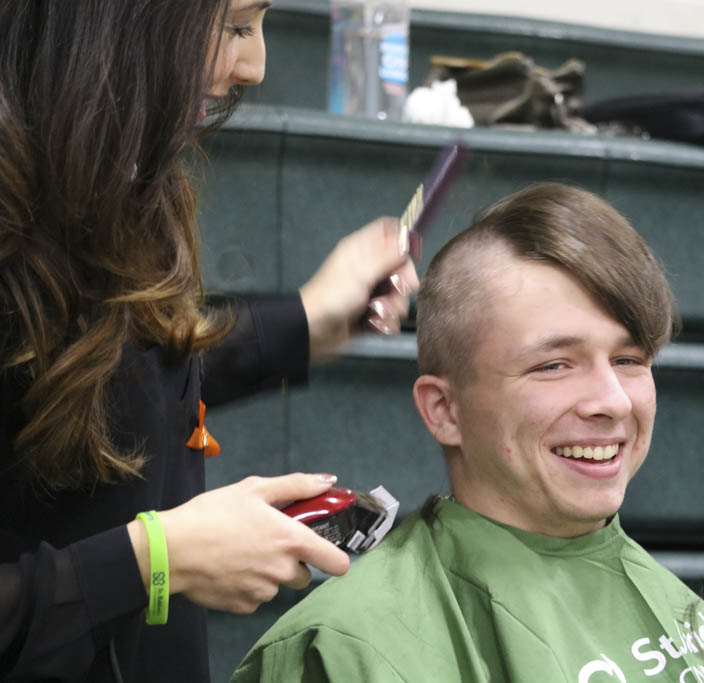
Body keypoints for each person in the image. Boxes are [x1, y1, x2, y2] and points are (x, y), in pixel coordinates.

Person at [0, 1, 418, 680]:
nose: (255, 66)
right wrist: (154, 559)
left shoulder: (106, 181)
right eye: (233, 26)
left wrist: (307, 321)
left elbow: (103, 371)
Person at [231, 183, 704, 683]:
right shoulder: (343, 652)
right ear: (444, 410)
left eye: (630, 359)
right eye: (554, 365)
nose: (612, 401)